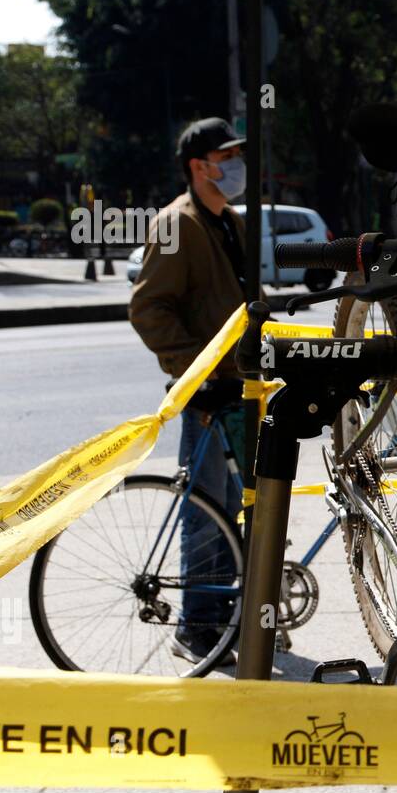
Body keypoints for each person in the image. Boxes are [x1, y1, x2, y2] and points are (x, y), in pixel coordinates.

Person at [130, 117, 253, 665]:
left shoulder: (230, 223)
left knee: (237, 509)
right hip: (208, 395)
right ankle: (197, 628)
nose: (235, 165)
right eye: (225, 156)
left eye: (236, 155)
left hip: (242, 390)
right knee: (205, 513)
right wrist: (194, 371)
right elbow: (148, 308)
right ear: (198, 166)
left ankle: (231, 619)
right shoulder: (178, 224)